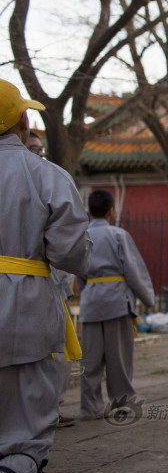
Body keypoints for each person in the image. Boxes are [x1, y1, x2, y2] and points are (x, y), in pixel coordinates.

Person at [0, 79, 90, 473]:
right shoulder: (45, 174)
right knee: (25, 419)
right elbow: (72, 253)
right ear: (22, 119)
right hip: (26, 307)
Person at [77, 189, 156, 420]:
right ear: (112, 210)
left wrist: (89, 291)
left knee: (90, 360)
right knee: (118, 358)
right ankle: (121, 403)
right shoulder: (119, 235)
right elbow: (133, 270)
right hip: (116, 302)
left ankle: (89, 408)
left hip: (91, 302)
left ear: (89, 211)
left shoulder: (82, 236)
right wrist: (147, 298)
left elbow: (78, 273)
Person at [24, 130, 78, 427]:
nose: (39, 155)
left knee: (56, 356)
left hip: (50, 285)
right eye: (33, 148)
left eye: (40, 149)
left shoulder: (48, 181)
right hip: (29, 284)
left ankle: (49, 409)